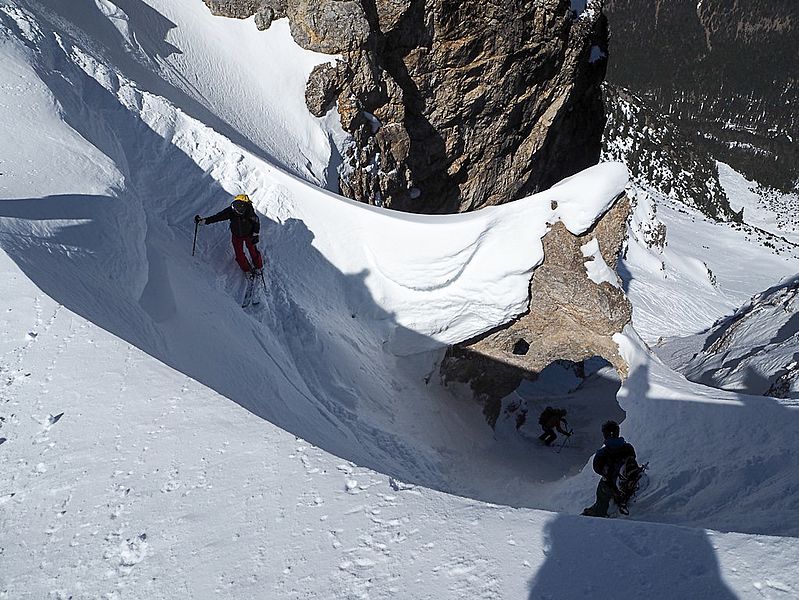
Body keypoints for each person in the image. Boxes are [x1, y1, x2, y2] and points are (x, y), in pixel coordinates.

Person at [195, 194, 263, 275]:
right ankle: (247, 270)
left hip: (249, 234)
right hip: (236, 235)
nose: (237, 212)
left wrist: (255, 235)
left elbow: (256, 223)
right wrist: (204, 221)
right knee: (239, 254)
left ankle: (258, 266)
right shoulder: (231, 211)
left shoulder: (249, 212)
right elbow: (218, 217)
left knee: (253, 250)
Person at [582, 420, 637, 517]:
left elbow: (597, 469)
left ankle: (599, 513)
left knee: (602, 493)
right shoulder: (628, 447)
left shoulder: (602, 453)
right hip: (626, 482)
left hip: (610, 485)